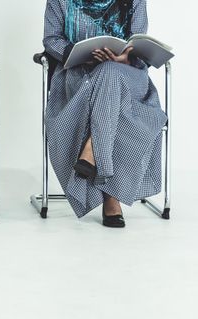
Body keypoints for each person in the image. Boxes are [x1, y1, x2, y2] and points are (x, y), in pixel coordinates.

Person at [43, 0, 168, 227]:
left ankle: (91, 154)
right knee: (108, 77)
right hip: (80, 78)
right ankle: (112, 196)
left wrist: (126, 57)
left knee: (111, 71)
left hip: (127, 78)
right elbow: (51, 39)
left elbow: (138, 39)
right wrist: (80, 54)